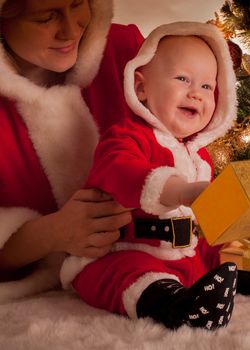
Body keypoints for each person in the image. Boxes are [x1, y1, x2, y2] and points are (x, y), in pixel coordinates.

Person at [61, 22, 250, 331]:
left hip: (187, 253)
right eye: (183, 79)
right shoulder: (126, 137)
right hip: (125, 250)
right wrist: (181, 191)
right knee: (132, 273)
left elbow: (208, 219)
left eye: (207, 86)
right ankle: (179, 306)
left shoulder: (200, 156)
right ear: (142, 87)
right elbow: (119, 172)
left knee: (226, 251)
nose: (196, 94)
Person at [0, 0, 143, 301]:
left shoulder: (127, 51)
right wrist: (54, 233)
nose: (70, 30)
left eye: (78, 3)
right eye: (46, 18)